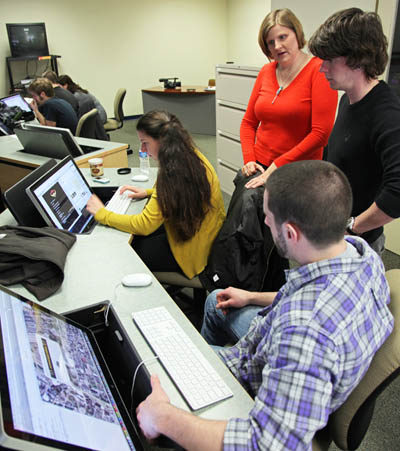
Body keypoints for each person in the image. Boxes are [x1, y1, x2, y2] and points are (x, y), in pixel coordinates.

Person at [135, 160, 394, 450]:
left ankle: (203, 403)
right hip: (283, 353)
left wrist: (165, 418)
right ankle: (205, 389)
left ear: (292, 233)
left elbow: (268, 445)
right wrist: (251, 296)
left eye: (267, 215)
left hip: (270, 395)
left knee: (150, 375)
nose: (266, 221)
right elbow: (307, 295)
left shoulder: (305, 333)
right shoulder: (363, 256)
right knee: (213, 303)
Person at [86, 110, 225, 279]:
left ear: (163, 142)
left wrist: (102, 213)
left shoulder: (172, 173)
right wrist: (148, 192)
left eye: (145, 143)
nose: (143, 150)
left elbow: (144, 225)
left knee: (120, 249)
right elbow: (187, 191)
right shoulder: (190, 155)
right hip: (204, 240)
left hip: (190, 254)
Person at [308, 7, 400, 254]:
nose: (322, 68)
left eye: (329, 60)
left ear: (358, 58)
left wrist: (352, 227)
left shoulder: (387, 114)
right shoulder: (347, 99)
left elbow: (397, 193)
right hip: (333, 228)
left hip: (358, 243)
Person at [241, 8, 338, 189]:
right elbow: (248, 122)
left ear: (297, 33)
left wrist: (277, 165)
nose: (277, 46)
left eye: (282, 37)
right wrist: (249, 160)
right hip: (261, 167)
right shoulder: (265, 72)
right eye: (270, 42)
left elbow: (321, 134)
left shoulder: (318, 70)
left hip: (299, 171)